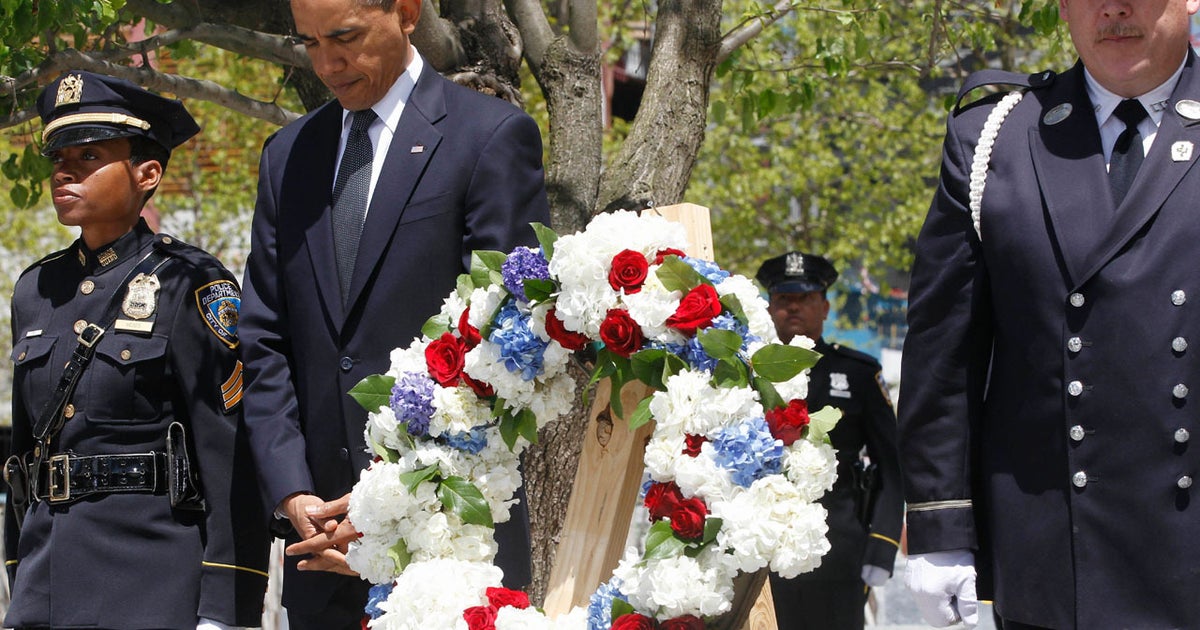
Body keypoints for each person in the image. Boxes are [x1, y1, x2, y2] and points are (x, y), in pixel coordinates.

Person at [237, 0, 551, 626]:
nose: (327, 63)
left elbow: (507, 344)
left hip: (451, 543)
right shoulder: (287, 156)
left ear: (406, 12)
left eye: (345, 37)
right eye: (310, 43)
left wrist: (386, 508)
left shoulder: (489, 137)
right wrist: (293, 491)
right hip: (320, 549)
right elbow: (264, 338)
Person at [900, 0, 1200, 627]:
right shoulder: (994, 136)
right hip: (1053, 560)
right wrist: (940, 523)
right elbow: (944, 350)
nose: (1114, 9)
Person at [3, 70, 270, 629]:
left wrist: (225, 608)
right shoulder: (35, 290)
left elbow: (229, 454)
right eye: (59, 157)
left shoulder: (190, 281)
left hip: (151, 584)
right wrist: (18, 570)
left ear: (147, 173)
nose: (64, 171)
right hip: (45, 586)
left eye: (89, 155)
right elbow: (25, 459)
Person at [755, 252, 903, 630]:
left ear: (825, 306)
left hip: (839, 548)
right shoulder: (745, 372)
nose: (793, 307)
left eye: (804, 298)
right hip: (759, 548)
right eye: (783, 298)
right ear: (769, 308)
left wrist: (882, 544)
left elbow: (892, 465)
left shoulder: (857, 373)